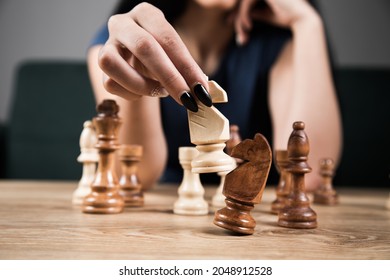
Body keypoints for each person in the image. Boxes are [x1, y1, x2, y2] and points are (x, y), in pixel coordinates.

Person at [87, 0, 342, 191]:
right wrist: (135, 68)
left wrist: (307, 23)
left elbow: (308, 176)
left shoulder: (282, 41)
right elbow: (133, 177)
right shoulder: (121, 42)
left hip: (260, 221)